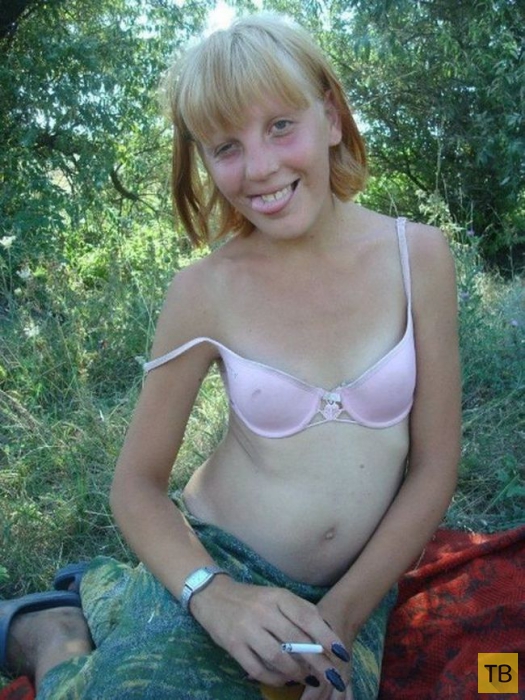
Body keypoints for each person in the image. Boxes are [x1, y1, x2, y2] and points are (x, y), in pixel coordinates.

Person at [0, 12, 461, 700]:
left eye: (281, 126)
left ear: (331, 118)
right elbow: (135, 487)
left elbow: (433, 467)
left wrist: (340, 617)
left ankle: (100, 603)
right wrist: (214, 597)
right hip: (220, 565)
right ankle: (53, 635)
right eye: (226, 147)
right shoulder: (204, 290)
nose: (260, 167)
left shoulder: (416, 256)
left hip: (352, 588)